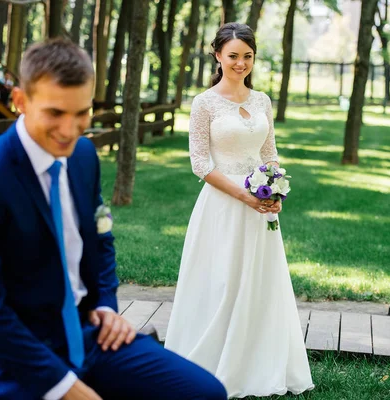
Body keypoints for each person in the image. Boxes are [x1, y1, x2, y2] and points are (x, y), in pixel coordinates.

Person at [0, 38, 227, 400]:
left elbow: (100, 240)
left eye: (82, 113)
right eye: (55, 113)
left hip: (85, 332)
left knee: (205, 393)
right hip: (10, 356)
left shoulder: (82, 156)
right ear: (19, 101)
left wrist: (106, 304)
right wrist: (66, 388)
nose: (70, 129)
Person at [164, 23, 314, 398]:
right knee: (222, 281)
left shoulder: (261, 101)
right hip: (223, 205)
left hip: (262, 207)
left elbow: (269, 155)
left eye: (247, 56)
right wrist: (245, 196)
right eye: (233, 55)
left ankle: (258, 361)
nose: (240, 63)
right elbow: (201, 164)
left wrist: (274, 191)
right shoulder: (204, 103)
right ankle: (212, 364)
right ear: (217, 55)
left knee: (259, 283)